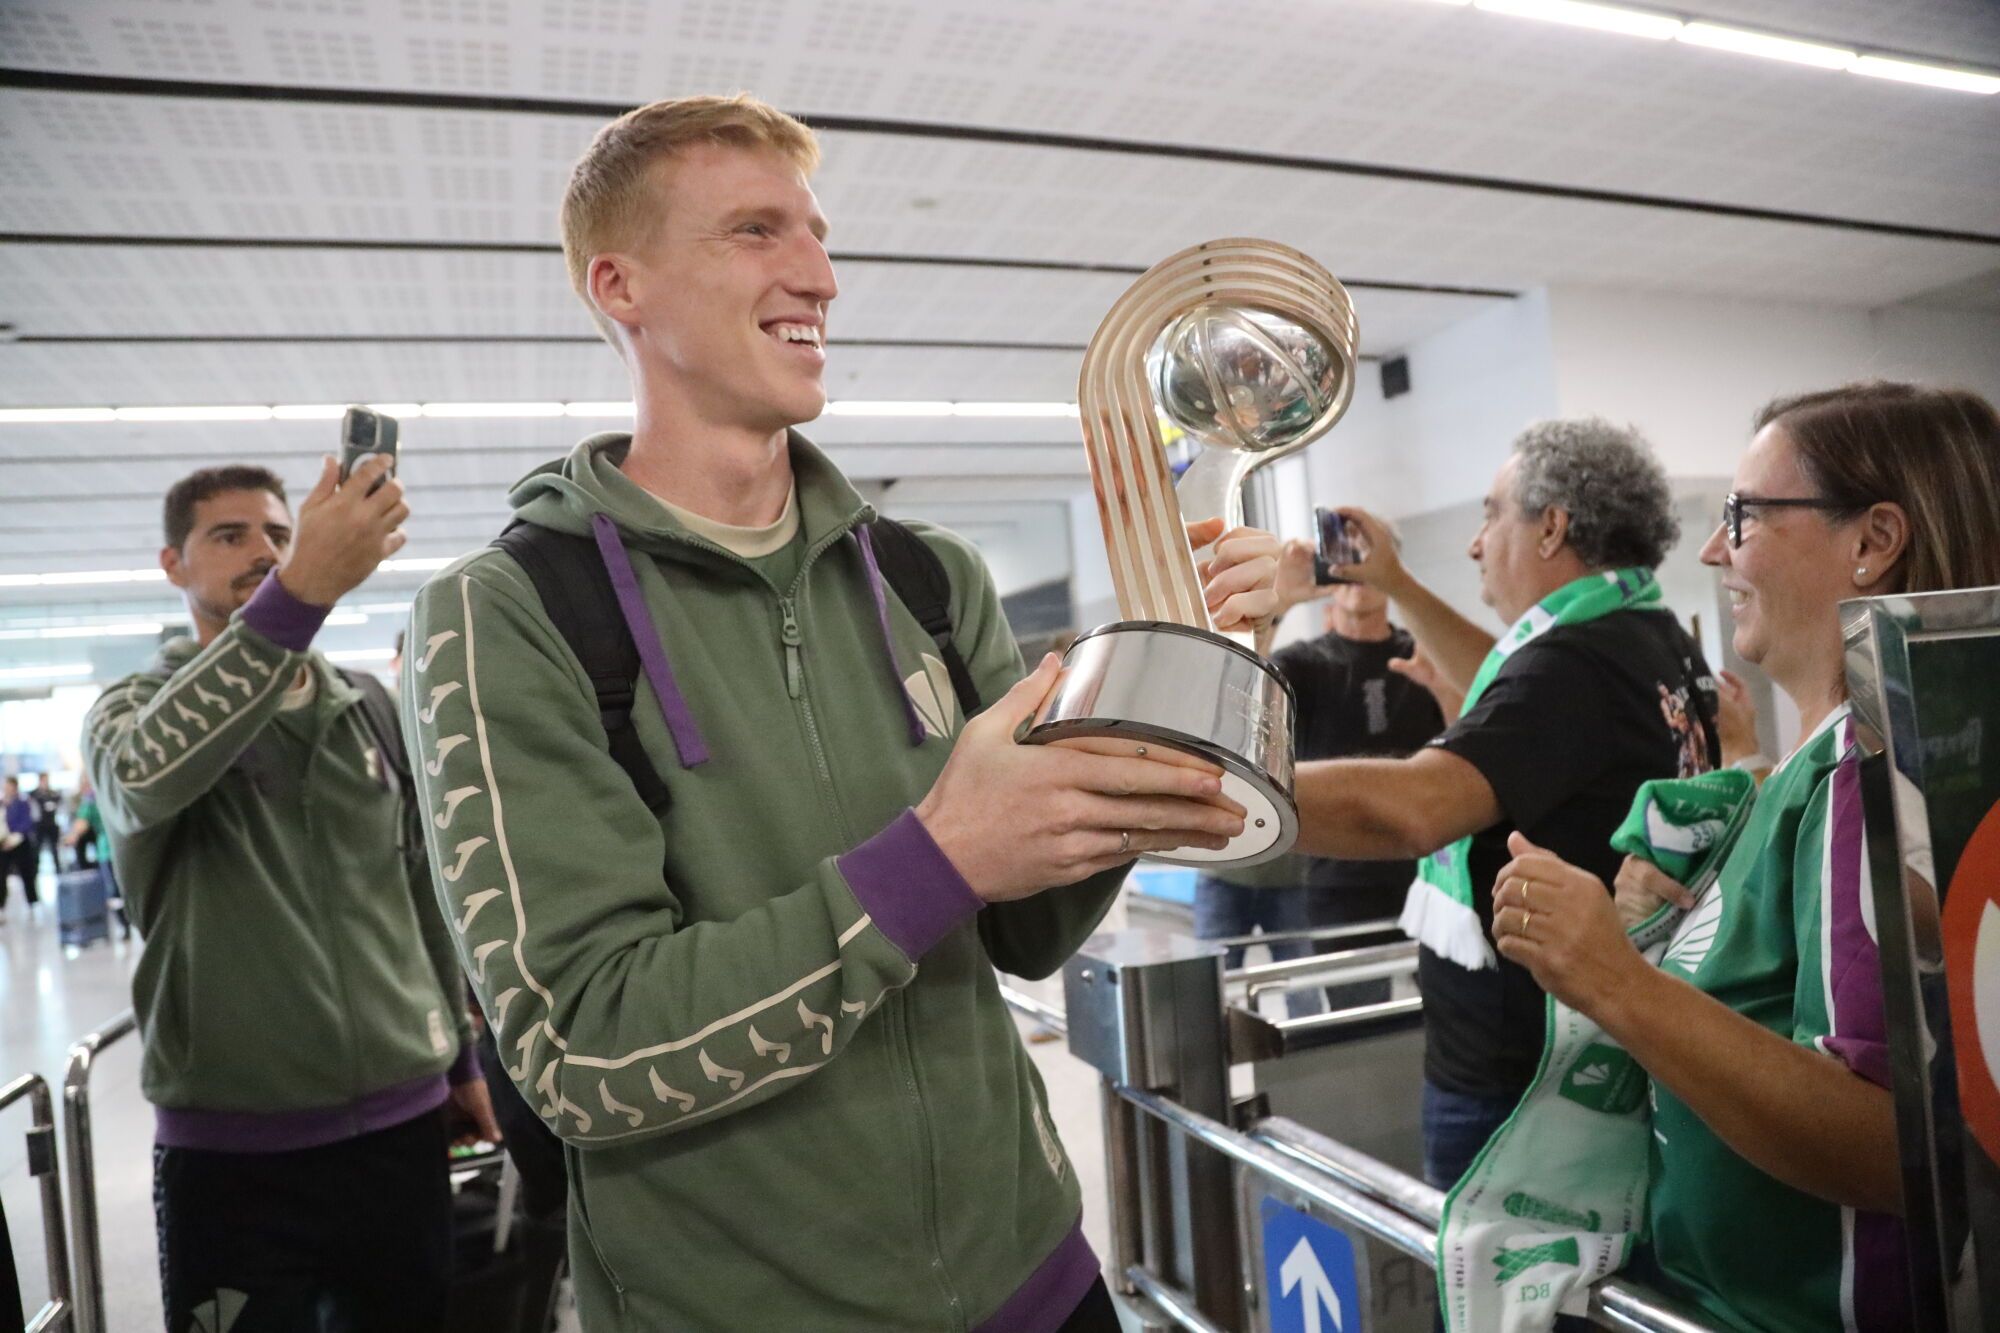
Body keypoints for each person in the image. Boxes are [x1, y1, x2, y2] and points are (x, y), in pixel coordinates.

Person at [400, 94, 1280, 1333]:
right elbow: (581, 1054)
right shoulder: (505, 615)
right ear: (621, 284)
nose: (814, 272)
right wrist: (936, 856)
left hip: (1037, 1275)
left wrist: (1173, 691)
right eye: (754, 231)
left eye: (815, 234)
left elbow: (1024, 930)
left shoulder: (927, 578)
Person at [1488, 381, 2000, 1332]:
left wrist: (1611, 979)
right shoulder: (1814, 771)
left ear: (1872, 540)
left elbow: (1898, 1143)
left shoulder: (1870, 773)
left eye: (1744, 516)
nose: (1716, 548)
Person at [83, 461, 500, 1333]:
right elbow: (139, 783)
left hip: (400, 1132)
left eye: (278, 533)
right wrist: (300, 588)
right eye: (227, 536)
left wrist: (462, 1059)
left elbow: (417, 889)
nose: (262, 551)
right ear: (173, 564)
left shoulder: (368, 708)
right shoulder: (133, 709)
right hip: (234, 1157)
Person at [1287, 418, 1721, 1193]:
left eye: (1491, 513)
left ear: (1551, 526)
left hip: (1515, 1083)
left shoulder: (1572, 667)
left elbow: (1413, 810)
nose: (1476, 542)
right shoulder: (1641, 632)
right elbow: (1506, 680)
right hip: (1582, 1059)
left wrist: (1204, 778)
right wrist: (1396, 584)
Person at [1244, 538, 1454, 1010]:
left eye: (1367, 559)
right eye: (1343, 562)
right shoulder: (1306, 663)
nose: (1356, 574)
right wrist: (1278, 602)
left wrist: (1442, 686)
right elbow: (1242, 696)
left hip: (1430, 871)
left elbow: (1471, 732)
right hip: (1341, 879)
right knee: (1359, 1024)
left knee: (1454, 1013)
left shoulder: (1423, 653)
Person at [0, 776, 37, 918]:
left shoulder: (23, 803)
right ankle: (1, 906)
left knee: (27, 874)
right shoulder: (2, 804)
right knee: (1, 876)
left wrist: (14, 838)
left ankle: (32, 902)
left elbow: (27, 822)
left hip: (20, 843)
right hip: (3, 845)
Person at [29, 774, 64, 874]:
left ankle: (58, 868)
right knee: (37, 848)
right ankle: (35, 869)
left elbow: (59, 806)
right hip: (40, 825)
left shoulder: (53, 794)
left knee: (54, 847)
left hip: (51, 823)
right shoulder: (33, 794)